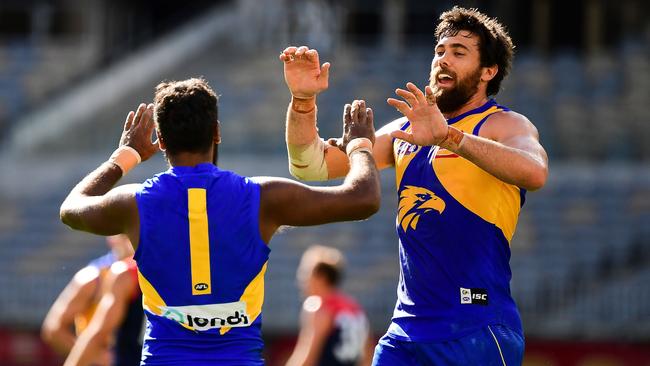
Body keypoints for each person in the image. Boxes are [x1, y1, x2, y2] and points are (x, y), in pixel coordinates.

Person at [279, 6, 549, 365]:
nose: (444, 60)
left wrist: (450, 138)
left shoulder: (504, 124)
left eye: (458, 52)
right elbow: (311, 166)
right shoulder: (406, 131)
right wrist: (302, 102)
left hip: (476, 327)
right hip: (405, 332)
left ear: (489, 71)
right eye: (440, 51)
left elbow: (535, 172)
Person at [59, 77, 380, 365]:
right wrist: (360, 145)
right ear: (216, 132)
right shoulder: (263, 197)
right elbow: (363, 198)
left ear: (161, 140)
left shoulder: (134, 203)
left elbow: (72, 209)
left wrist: (125, 155)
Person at [41, 234, 141, 365]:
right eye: (125, 236)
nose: (130, 243)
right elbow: (53, 329)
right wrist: (97, 358)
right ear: (112, 238)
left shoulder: (144, 273)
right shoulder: (93, 278)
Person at [286, 245, 372, 366]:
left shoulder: (320, 307)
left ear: (321, 277)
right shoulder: (355, 308)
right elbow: (368, 355)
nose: (301, 279)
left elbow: (308, 358)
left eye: (305, 273)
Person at [64, 255, 143, 366]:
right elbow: (54, 328)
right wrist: (97, 357)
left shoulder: (127, 272)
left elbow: (98, 333)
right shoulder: (124, 273)